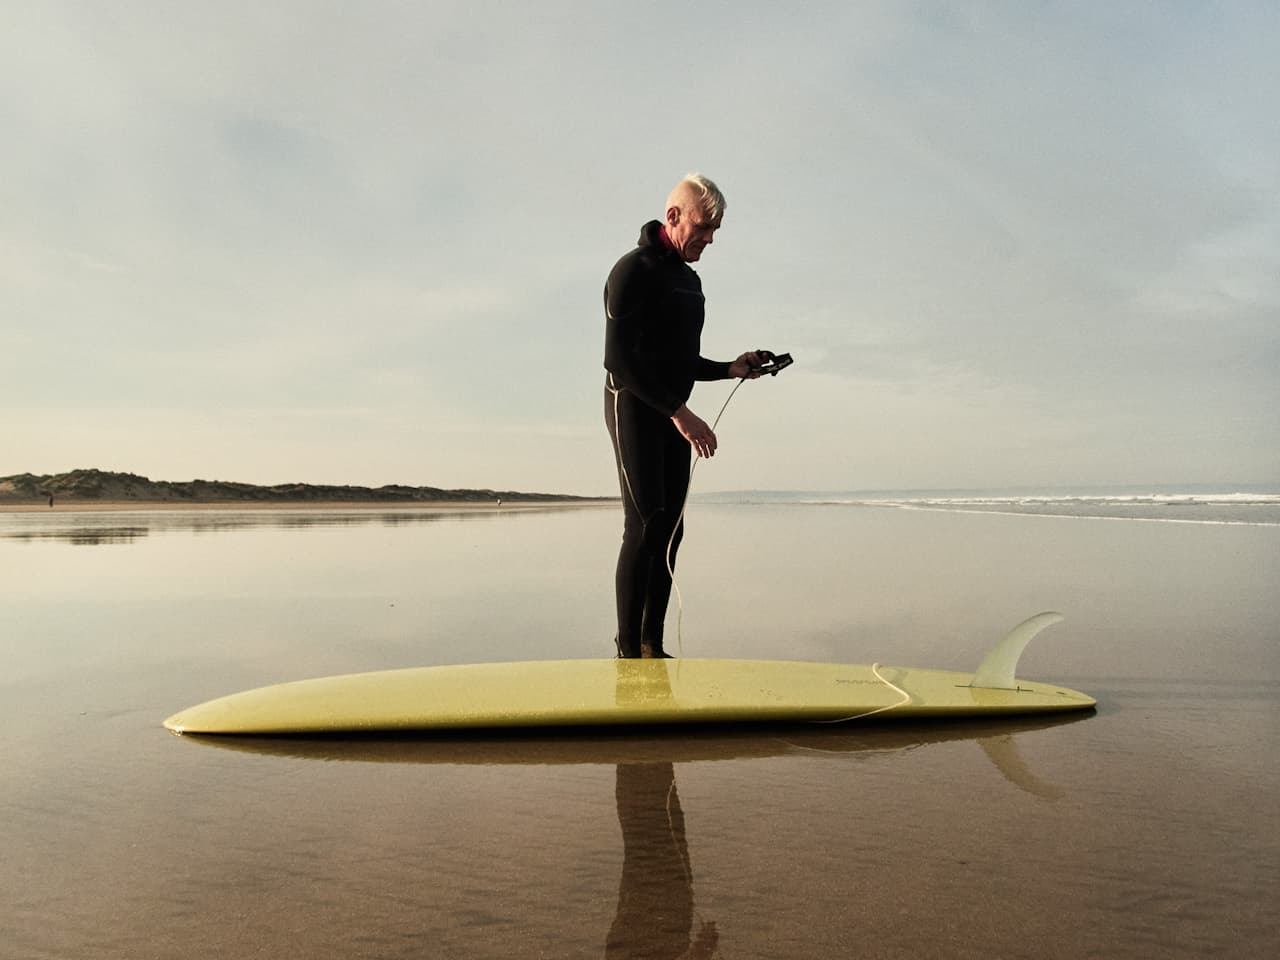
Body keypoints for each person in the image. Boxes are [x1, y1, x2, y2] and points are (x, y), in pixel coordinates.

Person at [603, 173, 767, 659]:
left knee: (672, 527)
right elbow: (620, 360)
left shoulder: (689, 283)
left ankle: (653, 645)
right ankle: (627, 650)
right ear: (674, 216)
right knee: (645, 525)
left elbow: (682, 362)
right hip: (633, 404)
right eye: (703, 226)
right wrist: (681, 413)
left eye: (715, 230)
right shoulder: (632, 270)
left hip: (674, 410)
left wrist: (731, 368)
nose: (710, 239)